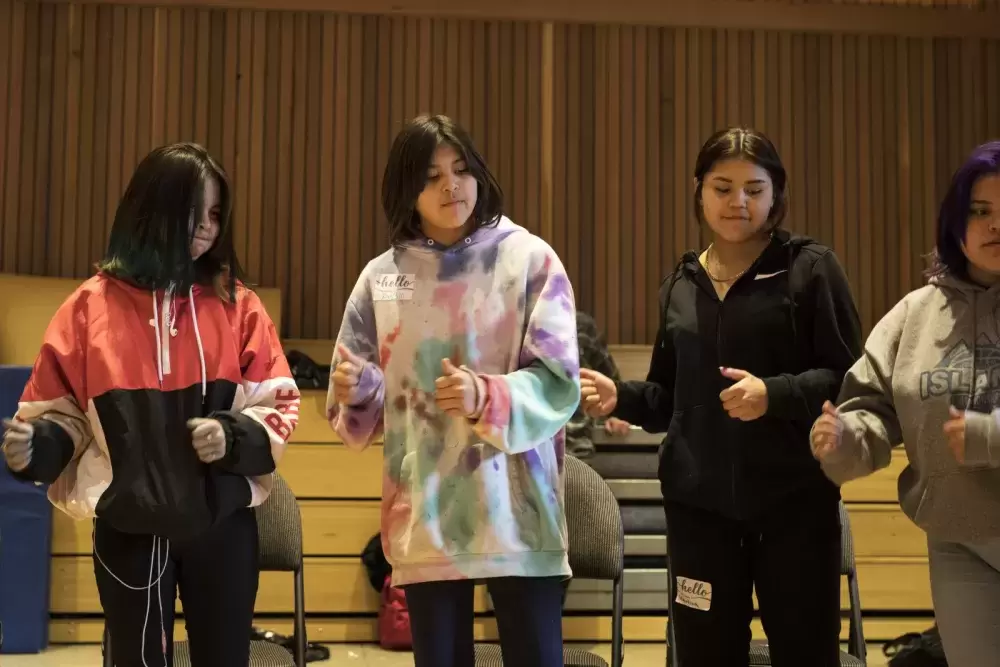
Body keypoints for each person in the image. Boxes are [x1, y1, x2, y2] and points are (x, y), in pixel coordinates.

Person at [1, 143, 301, 667]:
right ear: (150, 207)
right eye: (192, 212)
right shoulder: (87, 308)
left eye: (214, 214)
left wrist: (231, 436)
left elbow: (277, 404)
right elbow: (60, 414)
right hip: (129, 532)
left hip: (223, 529)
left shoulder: (240, 306)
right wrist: (41, 443)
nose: (206, 228)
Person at [581, 127, 863, 667]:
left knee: (806, 653)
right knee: (705, 655)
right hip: (700, 511)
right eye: (723, 187)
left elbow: (849, 377)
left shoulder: (810, 269)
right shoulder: (680, 285)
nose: (739, 202)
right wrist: (621, 396)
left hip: (796, 506)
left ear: (775, 192)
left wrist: (773, 394)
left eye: (754, 189)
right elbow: (668, 399)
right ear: (699, 191)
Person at [327, 114, 580, 667]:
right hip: (426, 509)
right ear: (405, 191)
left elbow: (560, 383)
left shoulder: (528, 259)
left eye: (461, 170)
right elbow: (355, 405)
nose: (451, 186)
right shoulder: (381, 277)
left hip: (518, 508)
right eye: (431, 175)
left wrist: (486, 398)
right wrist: (359, 389)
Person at [812, 140, 1000, 667]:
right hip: (957, 539)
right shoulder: (916, 313)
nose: (993, 226)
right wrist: (846, 437)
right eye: (980, 211)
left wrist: (991, 435)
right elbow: (873, 404)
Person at [565, 311, 631, 460]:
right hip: (524, 451)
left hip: (576, 448)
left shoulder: (580, 325)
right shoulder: (514, 325)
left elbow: (608, 379)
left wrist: (615, 413)